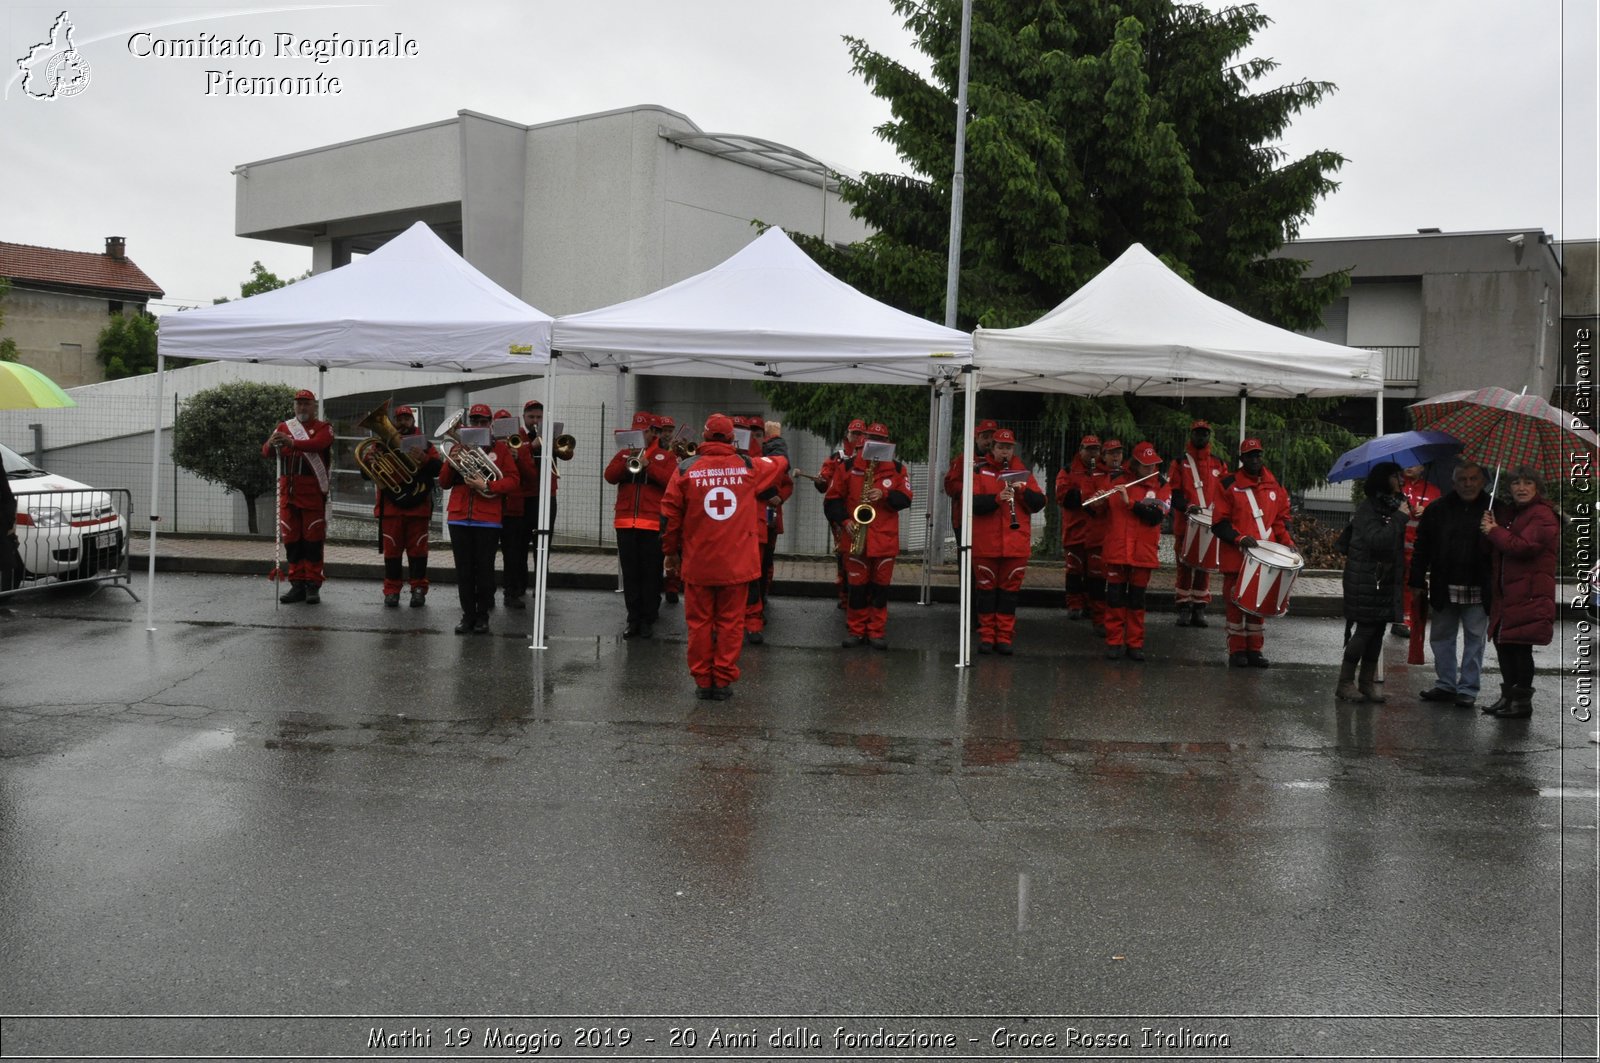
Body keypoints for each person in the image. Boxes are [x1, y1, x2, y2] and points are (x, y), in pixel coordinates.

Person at [661, 413, 789, 701]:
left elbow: (670, 517)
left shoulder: (684, 469)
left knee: (699, 623)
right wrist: (774, 437)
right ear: (733, 438)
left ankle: (703, 681)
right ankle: (722, 680)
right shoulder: (748, 467)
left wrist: (670, 553)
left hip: (698, 564)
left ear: (704, 436)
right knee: (731, 623)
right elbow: (781, 464)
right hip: (736, 566)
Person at [1409, 461, 1494, 708]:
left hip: (1479, 585)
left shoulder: (1494, 509)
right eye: (1462, 479)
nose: (1468, 484)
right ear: (1454, 482)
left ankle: (1468, 688)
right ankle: (1446, 684)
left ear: (1483, 481)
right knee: (1441, 637)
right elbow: (1421, 546)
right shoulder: (1438, 509)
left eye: (1473, 479)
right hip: (1444, 583)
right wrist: (1416, 580)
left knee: (1474, 640)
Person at [1479, 466, 1560, 719]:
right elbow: (1496, 547)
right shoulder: (1511, 513)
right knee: (1504, 644)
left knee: (1520, 648)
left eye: (1527, 483)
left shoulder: (1542, 515)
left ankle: (1521, 703)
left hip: (1529, 593)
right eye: (1516, 483)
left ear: (1537, 488)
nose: (1521, 488)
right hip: (1508, 592)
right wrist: (1489, 528)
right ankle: (1508, 697)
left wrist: (1494, 531)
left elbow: (1525, 546)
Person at [825, 421, 911, 649]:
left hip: (885, 540)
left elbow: (905, 499)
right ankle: (855, 630)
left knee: (880, 589)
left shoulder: (899, 469)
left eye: (882, 440)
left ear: (888, 443)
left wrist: (884, 493)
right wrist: (845, 521)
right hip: (854, 537)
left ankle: (876, 631)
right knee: (857, 589)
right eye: (872, 438)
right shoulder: (846, 467)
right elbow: (831, 500)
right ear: (863, 440)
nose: (877, 443)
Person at [1210, 438, 1296, 668]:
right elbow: (1219, 523)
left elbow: (1279, 521)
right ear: (1242, 459)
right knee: (1236, 605)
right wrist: (1239, 539)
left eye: (1258, 455)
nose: (1255, 459)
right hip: (1236, 558)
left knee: (1258, 606)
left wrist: (1288, 544)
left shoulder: (1274, 485)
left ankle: (1255, 650)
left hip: (1263, 559)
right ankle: (1237, 650)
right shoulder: (1228, 484)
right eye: (1250, 456)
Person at [439, 404, 521, 634]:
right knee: (463, 571)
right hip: (459, 517)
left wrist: (487, 485)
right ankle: (467, 615)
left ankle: (482, 615)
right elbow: (444, 482)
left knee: (484, 570)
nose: (478, 425)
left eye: (483, 421)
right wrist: (450, 461)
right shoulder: (459, 447)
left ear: (490, 424)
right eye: (474, 421)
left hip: (488, 518)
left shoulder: (501, 450)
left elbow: (513, 481)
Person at [969, 427, 1046, 654]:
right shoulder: (979, 471)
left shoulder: (1023, 473)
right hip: (987, 544)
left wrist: (1021, 492)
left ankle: (1004, 637)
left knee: (1008, 594)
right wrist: (997, 498)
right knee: (986, 593)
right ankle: (986, 636)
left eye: (1008, 448)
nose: (1005, 452)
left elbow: (1039, 502)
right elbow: (972, 504)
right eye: (1001, 447)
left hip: (1015, 545)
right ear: (992, 449)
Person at [1335, 463, 1406, 701]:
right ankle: (1344, 683)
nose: (1402, 479)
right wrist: (1400, 518)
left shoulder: (1392, 505)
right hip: (1364, 578)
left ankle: (1365, 682)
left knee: (1378, 630)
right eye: (1396, 475)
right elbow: (1378, 541)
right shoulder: (1369, 508)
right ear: (1383, 479)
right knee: (1365, 629)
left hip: (1383, 578)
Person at [1099, 441, 1171, 661]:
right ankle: (1113, 642)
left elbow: (1156, 516)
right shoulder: (1115, 480)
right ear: (1135, 464)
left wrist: (1130, 503)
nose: (1150, 470)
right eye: (1146, 466)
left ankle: (1134, 644)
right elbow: (1102, 513)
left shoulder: (1160, 484)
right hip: (1117, 550)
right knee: (1114, 599)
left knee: (1137, 600)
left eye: (1153, 465)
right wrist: (1098, 503)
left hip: (1143, 551)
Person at [604, 411, 673, 638]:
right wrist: (628, 462)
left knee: (651, 573)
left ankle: (648, 618)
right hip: (625, 522)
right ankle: (633, 619)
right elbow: (610, 476)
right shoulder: (624, 454)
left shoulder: (664, 456)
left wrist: (648, 465)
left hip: (652, 523)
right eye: (636, 431)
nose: (639, 435)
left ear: (654, 433)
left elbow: (671, 481)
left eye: (644, 431)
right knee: (631, 574)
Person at [262, 389, 334, 604]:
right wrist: (271, 443)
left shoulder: (324, 428)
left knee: (312, 541)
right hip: (288, 495)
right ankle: (297, 584)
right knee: (292, 542)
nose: (302, 407)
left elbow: (318, 445)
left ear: (314, 406)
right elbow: (266, 452)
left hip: (311, 495)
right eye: (299, 404)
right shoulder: (284, 427)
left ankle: (313, 585)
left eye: (306, 404)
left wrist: (292, 443)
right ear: (294, 406)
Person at [373, 405, 442, 608]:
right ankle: (392, 590)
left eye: (407, 419)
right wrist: (370, 461)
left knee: (418, 552)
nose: (403, 422)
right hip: (391, 507)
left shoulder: (426, 444)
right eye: (399, 419)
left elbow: (439, 469)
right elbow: (365, 473)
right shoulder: (380, 444)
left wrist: (425, 458)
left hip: (418, 508)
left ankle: (418, 589)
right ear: (393, 422)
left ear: (413, 421)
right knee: (392, 553)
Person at [1168, 419, 1227, 628]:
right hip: (1186, 525)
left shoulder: (1219, 464)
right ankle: (1183, 607)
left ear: (1209, 436)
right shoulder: (1179, 462)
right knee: (1184, 565)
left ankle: (1199, 608)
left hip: (1210, 525)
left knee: (1205, 567)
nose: (1201, 437)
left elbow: (1226, 493)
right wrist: (1187, 508)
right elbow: (1173, 493)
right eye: (1197, 433)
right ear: (1191, 435)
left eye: (1204, 434)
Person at [516, 399, 570, 593]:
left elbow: (567, 454)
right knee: (521, 545)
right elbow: (517, 455)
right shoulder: (518, 436)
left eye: (539, 417)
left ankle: (540, 587)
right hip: (524, 496)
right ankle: (519, 587)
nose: (535, 420)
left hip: (547, 495)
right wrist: (533, 445)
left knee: (543, 544)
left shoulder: (550, 435)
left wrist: (554, 445)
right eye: (531, 417)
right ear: (524, 418)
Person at [1394, 463, 1443, 637]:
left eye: (1415, 465)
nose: (1410, 467)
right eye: (1407, 463)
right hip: (1394, 545)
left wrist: (1428, 511)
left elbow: (1440, 518)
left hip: (1418, 548)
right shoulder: (1396, 486)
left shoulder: (1433, 491)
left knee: (1411, 582)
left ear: (1424, 468)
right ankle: (1394, 617)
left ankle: (1405, 619)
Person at [1054, 434, 1100, 619]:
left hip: (1096, 532)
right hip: (1075, 530)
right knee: (1074, 570)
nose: (1092, 453)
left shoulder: (1103, 470)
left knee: (1095, 572)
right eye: (1089, 449)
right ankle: (1074, 604)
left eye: (1096, 449)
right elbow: (1064, 497)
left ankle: (1090, 603)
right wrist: (1087, 494)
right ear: (1080, 450)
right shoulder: (1067, 470)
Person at [1082, 439, 1125, 636]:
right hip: (1098, 536)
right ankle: (1099, 620)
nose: (1116, 457)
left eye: (1118, 453)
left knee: (1118, 584)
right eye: (1111, 453)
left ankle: (1116, 620)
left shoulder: (1127, 476)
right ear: (1104, 456)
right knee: (1097, 582)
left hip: (1119, 538)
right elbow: (1086, 503)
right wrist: (1097, 502)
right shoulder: (1093, 475)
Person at [493, 409, 531, 609]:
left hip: (514, 508)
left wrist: (517, 459)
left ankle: (512, 592)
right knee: (486, 555)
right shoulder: (488, 446)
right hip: (492, 507)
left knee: (513, 555)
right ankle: (486, 592)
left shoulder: (519, 445)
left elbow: (529, 477)